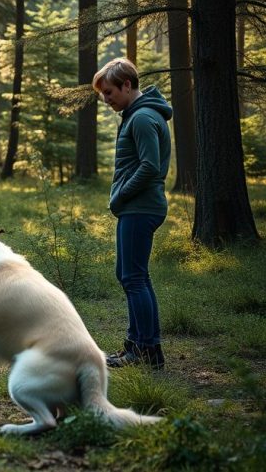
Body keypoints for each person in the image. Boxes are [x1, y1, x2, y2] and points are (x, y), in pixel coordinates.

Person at [93, 58, 172, 370]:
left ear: (127, 85)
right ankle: (140, 346)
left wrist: (120, 195)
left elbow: (150, 167)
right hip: (136, 207)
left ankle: (145, 350)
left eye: (109, 92)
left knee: (133, 277)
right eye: (102, 95)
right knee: (132, 276)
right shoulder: (137, 115)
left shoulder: (141, 118)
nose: (106, 99)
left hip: (141, 207)